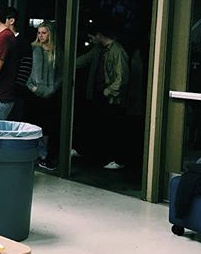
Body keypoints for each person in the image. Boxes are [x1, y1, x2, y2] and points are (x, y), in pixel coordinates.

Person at [75, 19, 129, 170]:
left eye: (92, 37)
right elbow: (83, 61)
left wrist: (108, 91)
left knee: (113, 128)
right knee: (101, 127)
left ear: (99, 35)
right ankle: (102, 156)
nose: (91, 40)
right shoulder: (100, 50)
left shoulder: (116, 50)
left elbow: (122, 77)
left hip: (111, 98)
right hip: (101, 95)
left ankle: (117, 159)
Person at [27, 21, 62, 170]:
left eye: (44, 33)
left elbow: (60, 73)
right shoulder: (34, 49)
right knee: (36, 125)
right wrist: (34, 88)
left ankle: (46, 155)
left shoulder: (56, 51)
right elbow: (28, 72)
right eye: (39, 33)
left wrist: (54, 88)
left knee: (49, 126)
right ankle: (39, 154)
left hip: (52, 93)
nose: (41, 36)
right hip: (35, 93)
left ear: (50, 34)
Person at [5, 6, 33, 122]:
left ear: (11, 21)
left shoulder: (22, 42)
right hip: (4, 94)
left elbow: (25, 69)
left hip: (15, 94)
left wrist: (14, 89)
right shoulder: (3, 40)